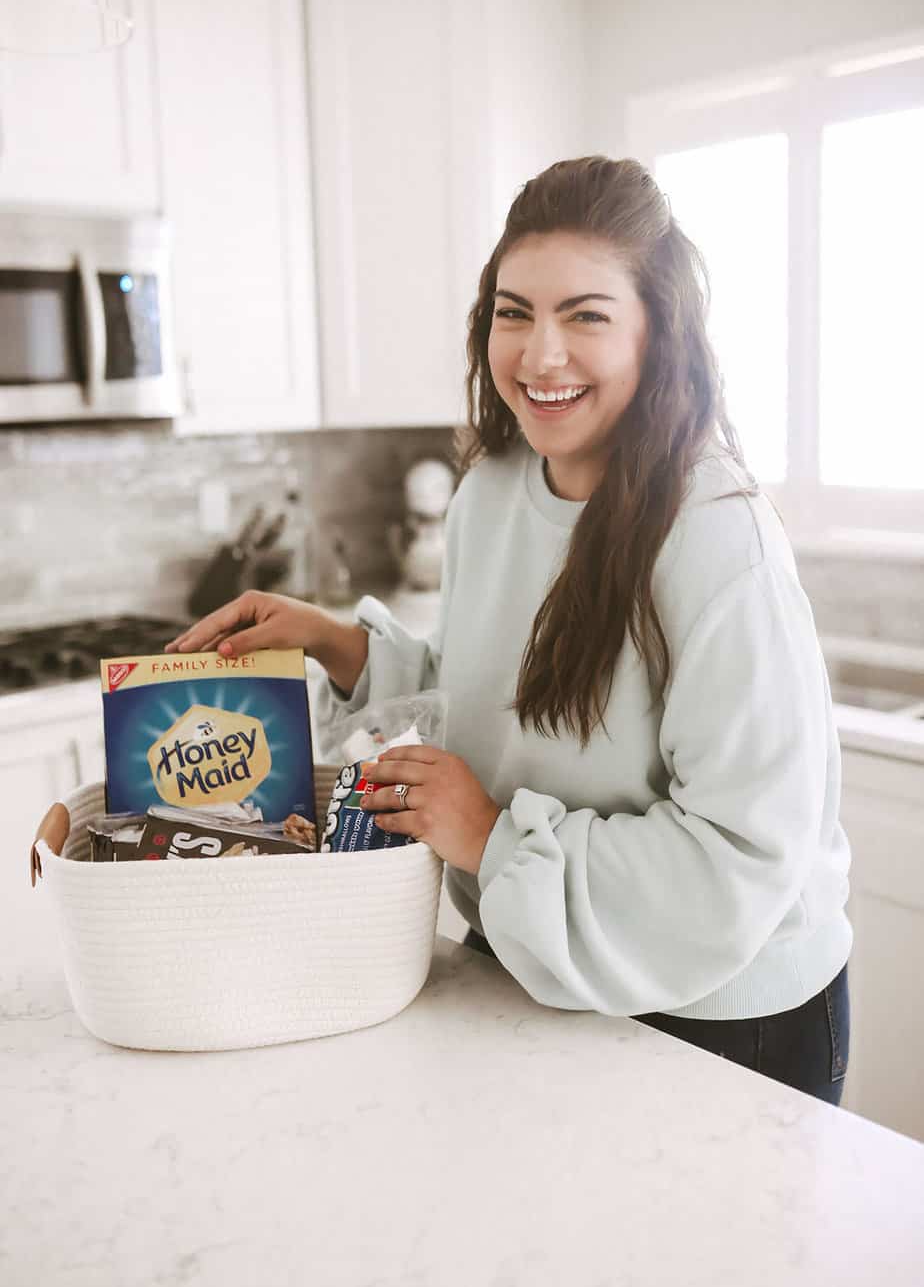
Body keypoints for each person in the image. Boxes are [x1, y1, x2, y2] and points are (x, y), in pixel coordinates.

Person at [164, 156, 851, 1105]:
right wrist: (338, 641)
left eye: (587, 315)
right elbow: (498, 696)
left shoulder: (716, 536)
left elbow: (735, 857)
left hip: (723, 1014)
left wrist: (490, 838)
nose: (539, 355)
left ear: (662, 334)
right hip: (538, 965)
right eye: (514, 311)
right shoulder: (488, 493)